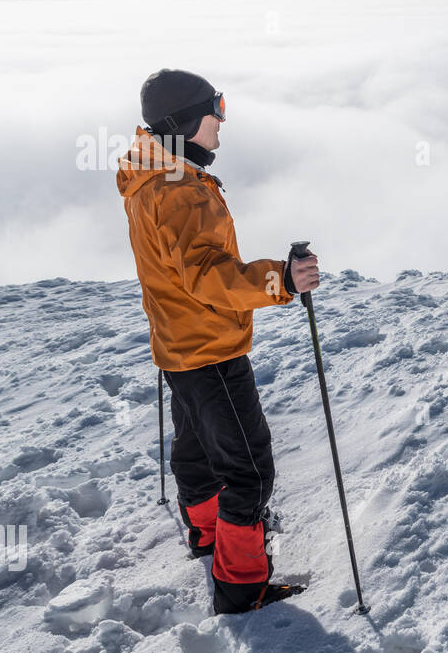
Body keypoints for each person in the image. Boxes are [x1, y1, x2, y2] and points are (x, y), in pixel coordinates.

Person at [116, 68, 319, 613]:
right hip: (211, 349)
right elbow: (209, 276)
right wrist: (282, 279)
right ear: (183, 122)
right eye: (215, 109)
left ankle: (208, 535)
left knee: (197, 452)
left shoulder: (149, 174)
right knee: (250, 470)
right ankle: (243, 585)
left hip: (178, 347)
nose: (222, 122)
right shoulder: (181, 191)